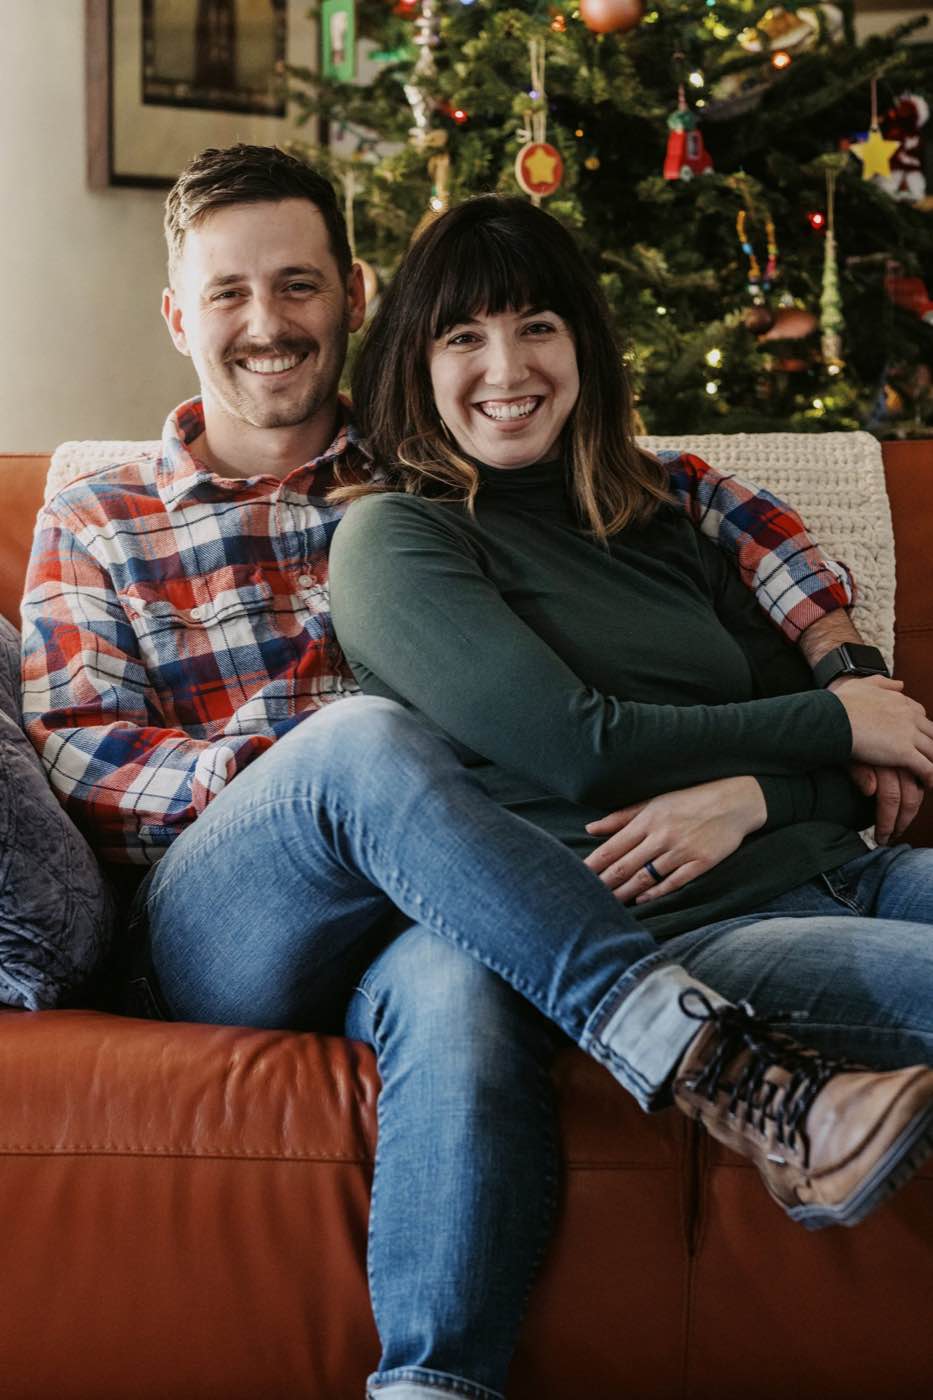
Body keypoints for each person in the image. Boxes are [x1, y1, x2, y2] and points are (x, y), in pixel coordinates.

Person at [18, 147, 929, 1400]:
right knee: (354, 747)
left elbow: (699, 502)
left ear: (352, 292)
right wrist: (303, 777)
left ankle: (435, 1385)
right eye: (228, 294)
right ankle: (712, 1062)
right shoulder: (103, 513)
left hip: (454, 904)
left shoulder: (432, 464)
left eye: (296, 286)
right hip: (226, 910)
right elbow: (80, 749)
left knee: (459, 987)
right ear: (181, 315)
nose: (267, 324)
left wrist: (843, 659)